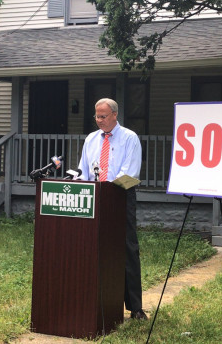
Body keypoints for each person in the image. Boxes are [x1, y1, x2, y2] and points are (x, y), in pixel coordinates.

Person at [77, 98, 147, 320]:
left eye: (103, 116)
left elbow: (131, 174)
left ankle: (135, 307)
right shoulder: (90, 139)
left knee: (127, 250)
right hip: (94, 199)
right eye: (97, 116)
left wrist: (108, 191)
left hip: (121, 198)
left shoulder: (129, 138)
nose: (99, 120)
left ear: (115, 115)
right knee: (92, 248)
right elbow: (83, 170)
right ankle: (94, 300)